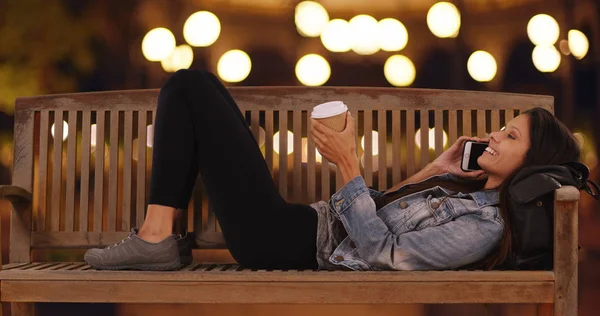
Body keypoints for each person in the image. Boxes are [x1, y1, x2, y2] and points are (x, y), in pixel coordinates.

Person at [84, 69, 581, 271]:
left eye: (510, 137)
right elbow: (384, 219)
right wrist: (432, 169)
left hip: (285, 243)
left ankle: (156, 239)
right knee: (202, 90)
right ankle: (157, 238)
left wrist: (348, 162)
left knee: (190, 88)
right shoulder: (464, 193)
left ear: (527, 164)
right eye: (503, 129)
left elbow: (382, 255)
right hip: (297, 228)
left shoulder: (485, 228)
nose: (494, 136)